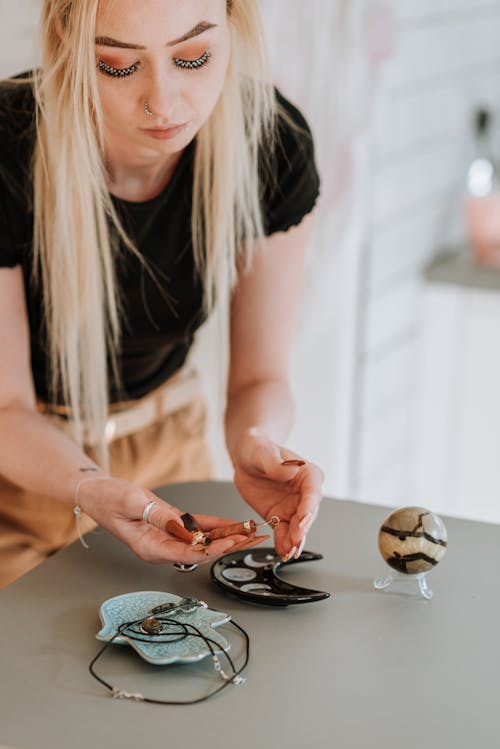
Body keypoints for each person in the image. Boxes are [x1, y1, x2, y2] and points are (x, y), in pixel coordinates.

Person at [0, 0, 324, 588]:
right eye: (119, 67)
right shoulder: (7, 147)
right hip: (13, 480)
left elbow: (259, 380)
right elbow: (6, 409)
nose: (164, 104)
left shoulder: (271, 145)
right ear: (64, 43)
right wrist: (91, 487)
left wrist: (256, 441)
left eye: (194, 56)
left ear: (234, 27)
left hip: (169, 458)